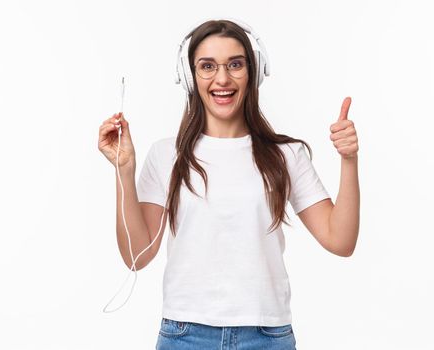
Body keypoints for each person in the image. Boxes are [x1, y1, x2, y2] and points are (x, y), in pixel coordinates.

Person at [98, 19, 360, 350]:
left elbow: (341, 240)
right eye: (207, 66)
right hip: (185, 335)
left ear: (254, 71)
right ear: (190, 76)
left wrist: (349, 160)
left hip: (267, 337)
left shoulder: (285, 155)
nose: (222, 79)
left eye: (235, 64)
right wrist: (124, 170)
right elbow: (137, 255)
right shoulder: (167, 155)